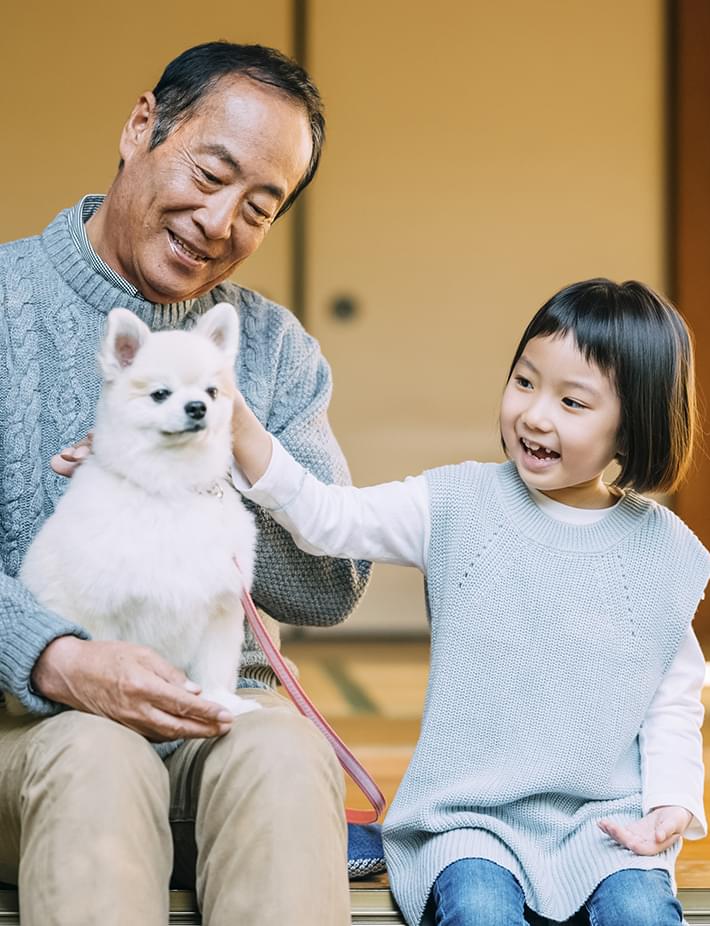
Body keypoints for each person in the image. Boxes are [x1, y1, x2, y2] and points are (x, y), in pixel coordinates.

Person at [0, 41, 370, 926]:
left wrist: (225, 455)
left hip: (217, 705)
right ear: (140, 128)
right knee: (97, 758)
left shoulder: (272, 352)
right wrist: (55, 658)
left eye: (259, 206)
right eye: (211, 173)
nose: (219, 221)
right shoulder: (6, 307)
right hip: (32, 722)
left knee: (283, 754)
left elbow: (333, 584)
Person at [230, 278, 708, 926]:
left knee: (642, 914)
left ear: (635, 423)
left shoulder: (662, 552)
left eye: (572, 401)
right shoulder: (459, 504)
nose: (535, 414)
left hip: (605, 823)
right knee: (478, 907)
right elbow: (328, 518)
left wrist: (671, 804)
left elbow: (672, 700)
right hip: (470, 818)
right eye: (524, 382)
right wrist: (237, 428)